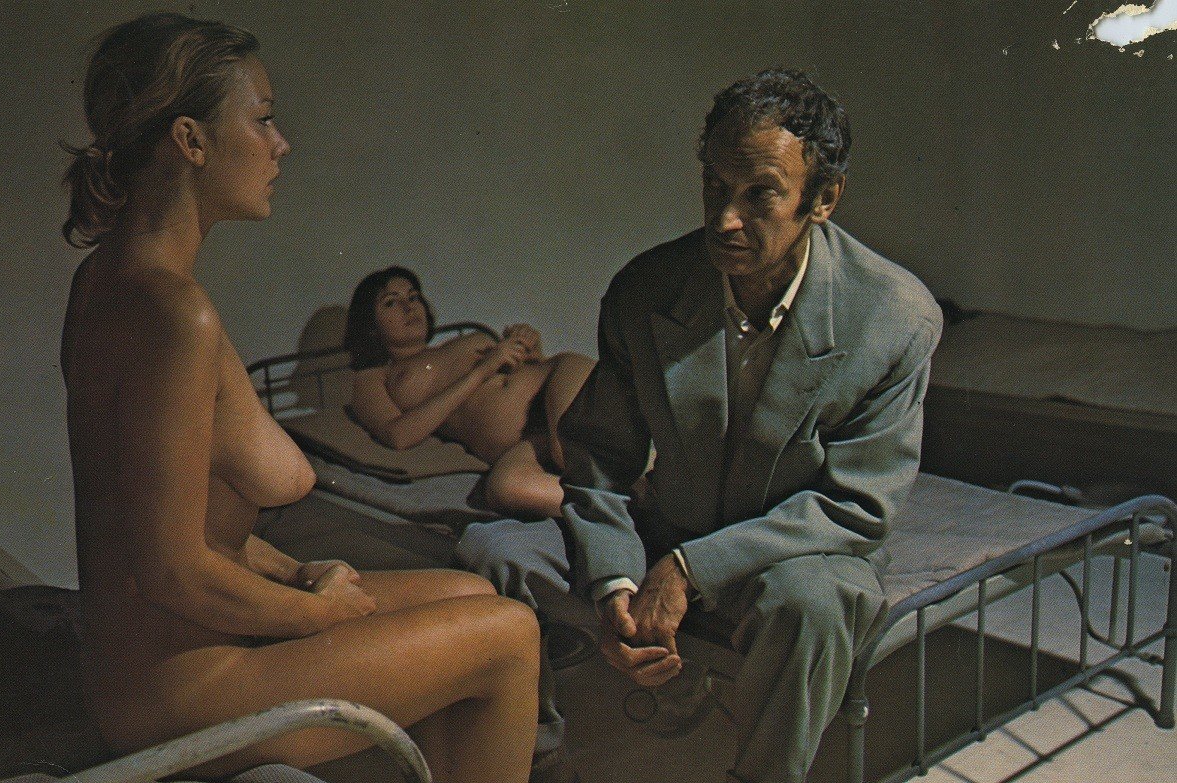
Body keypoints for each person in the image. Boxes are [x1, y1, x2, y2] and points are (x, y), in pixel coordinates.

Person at [59, 14, 541, 781]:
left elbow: (165, 515)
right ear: (190, 140)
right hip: (177, 689)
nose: (280, 144)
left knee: (468, 588)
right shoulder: (174, 314)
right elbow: (170, 569)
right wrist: (316, 613)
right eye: (262, 119)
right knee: (510, 633)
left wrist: (293, 573)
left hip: (149, 661)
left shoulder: (107, 281)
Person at [457, 68, 943, 783]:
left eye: (759, 194)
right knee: (492, 547)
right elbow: (598, 464)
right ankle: (536, 760)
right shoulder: (646, 288)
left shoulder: (893, 316)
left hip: (791, 552)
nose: (724, 219)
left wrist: (689, 569)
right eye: (715, 187)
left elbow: (856, 506)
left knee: (813, 604)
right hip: (667, 527)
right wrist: (615, 583)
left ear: (823, 199)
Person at [344, 266, 595, 519]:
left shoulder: (468, 339)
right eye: (390, 302)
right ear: (370, 324)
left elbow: (526, 373)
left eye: (413, 297)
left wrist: (532, 351)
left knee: (567, 454)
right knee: (506, 489)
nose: (408, 307)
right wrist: (483, 370)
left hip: (557, 379)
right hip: (530, 441)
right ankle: (614, 505)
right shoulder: (372, 377)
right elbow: (398, 435)